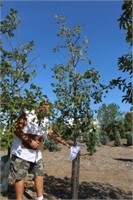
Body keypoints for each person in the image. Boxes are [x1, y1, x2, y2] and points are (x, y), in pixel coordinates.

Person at [9, 101, 70, 200]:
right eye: (44, 108)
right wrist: (29, 141)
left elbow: (52, 133)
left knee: (39, 175)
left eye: (47, 109)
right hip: (21, 154)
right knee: (20, 177)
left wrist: (65, 142)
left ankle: (40, 198)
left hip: (37, 155)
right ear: (39, 107)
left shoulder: (46, 120)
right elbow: (16, 129)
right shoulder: (27, 114)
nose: (45, 111)